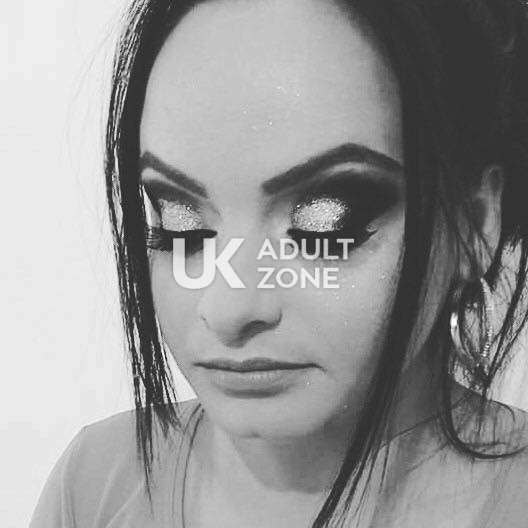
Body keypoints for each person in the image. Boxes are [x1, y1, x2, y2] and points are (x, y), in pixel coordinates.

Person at [31, 0, 528, 526]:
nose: (227, 308)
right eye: (182, 227)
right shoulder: (97, 481)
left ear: (473, 223)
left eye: (324, 225)